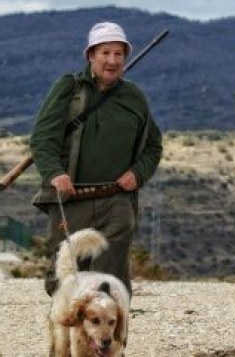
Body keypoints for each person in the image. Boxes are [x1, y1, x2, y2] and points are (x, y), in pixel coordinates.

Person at [30, 21, 163, 297]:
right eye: (105, 53)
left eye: (119, 54)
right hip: (72, 200)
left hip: (117, 201)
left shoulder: (134, 97)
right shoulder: (69, 89)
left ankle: (104, 339)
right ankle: (67, 338)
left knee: (109, 283)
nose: (112, 60)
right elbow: (43, 138)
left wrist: (138, 174)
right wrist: (55, 173)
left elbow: (153, 145)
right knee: (66, 281)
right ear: (90, 55)